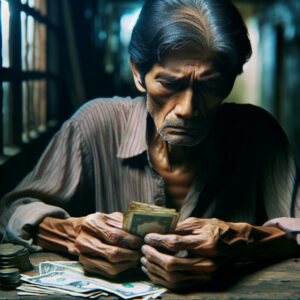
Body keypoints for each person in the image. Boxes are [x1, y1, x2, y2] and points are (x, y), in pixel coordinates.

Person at [1, 0, 300, 290]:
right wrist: (72, 233)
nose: (187, 108)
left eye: (211, 85)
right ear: (137, 73)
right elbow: (13, 211)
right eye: (170, 84)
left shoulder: (258, 135)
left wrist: (243, 242)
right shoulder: (96, 124)